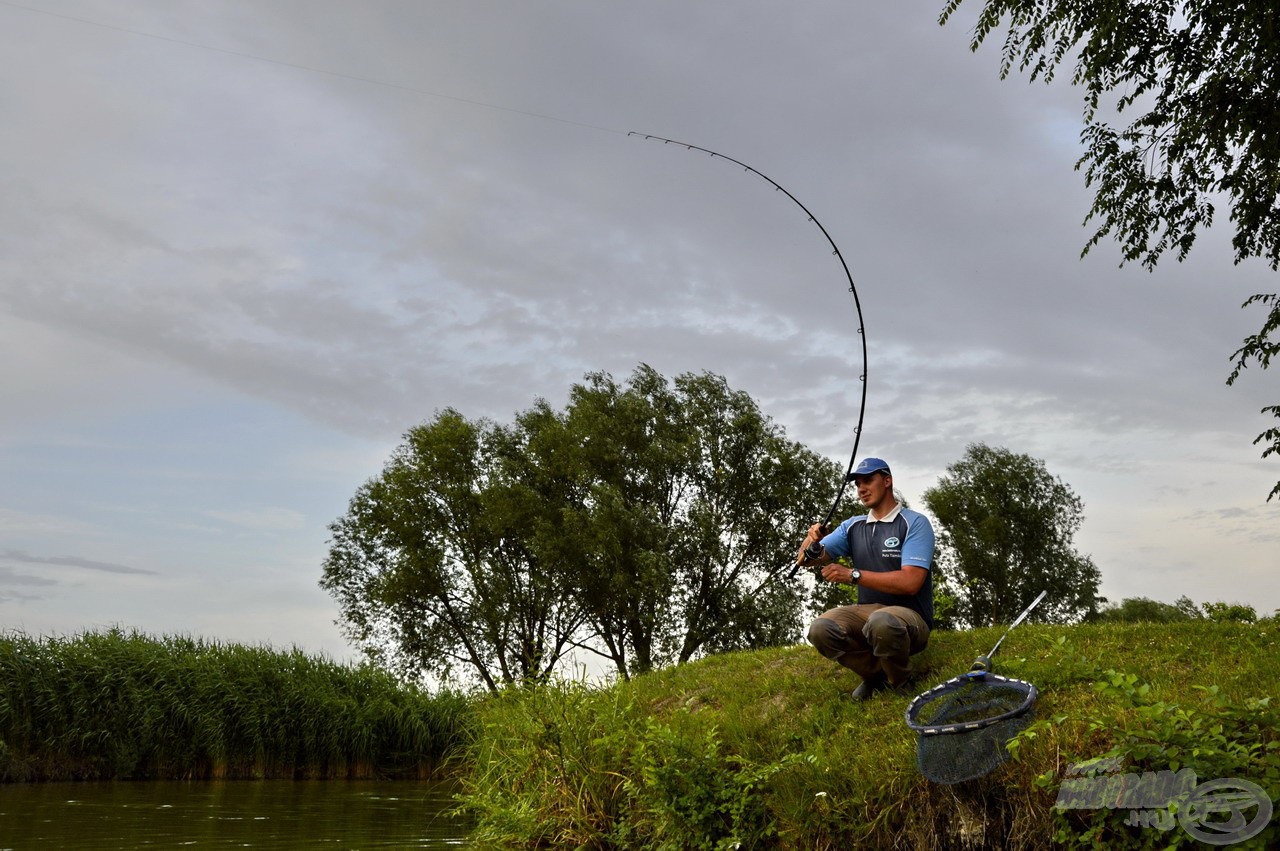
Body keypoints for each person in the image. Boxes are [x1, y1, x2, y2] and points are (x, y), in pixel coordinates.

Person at [796, 457, 935, 700]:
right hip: (868, 613)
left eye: (868, 480)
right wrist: (812, 541)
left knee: (881, 621)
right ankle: (874, 676)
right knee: (820, 629)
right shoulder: (853, 526)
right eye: (858, 484)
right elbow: (804, 560)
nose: (861, 489)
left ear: (887, 481)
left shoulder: (915, 523)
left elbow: (911, 583)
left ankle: (902, 682)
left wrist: (853, 575)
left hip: (910, 617)